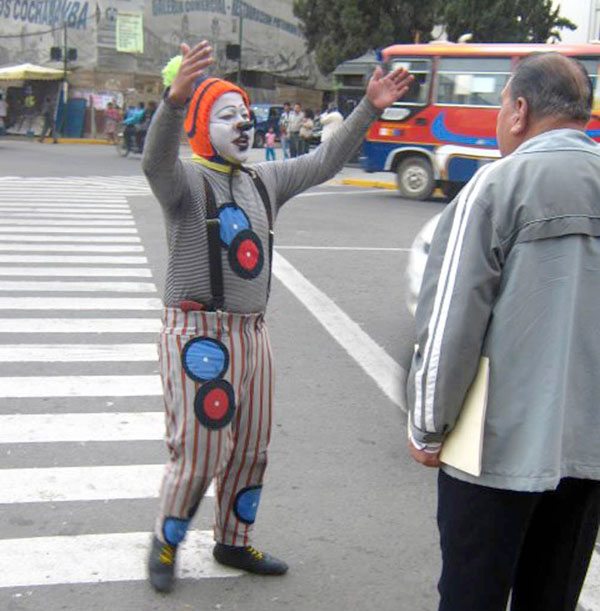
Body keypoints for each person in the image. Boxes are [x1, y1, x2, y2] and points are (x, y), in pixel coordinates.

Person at [142, 40, 413, 594]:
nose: (243, 124)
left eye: (245, 114)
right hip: (198, 335)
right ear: (200, 127)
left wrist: (370, 107)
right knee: (200, 451)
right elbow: (154, 162)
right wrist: (173, 102)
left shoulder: (262, 181)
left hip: (252, 334)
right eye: (226, 115)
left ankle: (233, 540)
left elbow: (324, 161)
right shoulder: (185, 183)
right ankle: (166, 540)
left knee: (251, 446)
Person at [407, 52, 600, 611]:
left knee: (472, 595)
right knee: (552, 596)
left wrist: (427, 428)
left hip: (493, 452)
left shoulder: (496, 186)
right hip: (588, 453)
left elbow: (451, 325)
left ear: (519, 110)